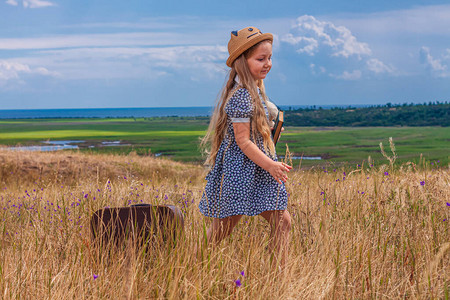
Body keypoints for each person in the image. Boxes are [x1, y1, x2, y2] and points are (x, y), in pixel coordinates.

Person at [198, 26, 292, 268]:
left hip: (259, 167)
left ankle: (278, 274)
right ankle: (190, 263)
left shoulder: (256, 91)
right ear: (242, 62)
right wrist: (271, 164)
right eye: (260, 59)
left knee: (282, 221)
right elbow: (243, 141)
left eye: (270, 58)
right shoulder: (241, 95)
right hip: (242, 171)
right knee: (224, 226)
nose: (267, 63)